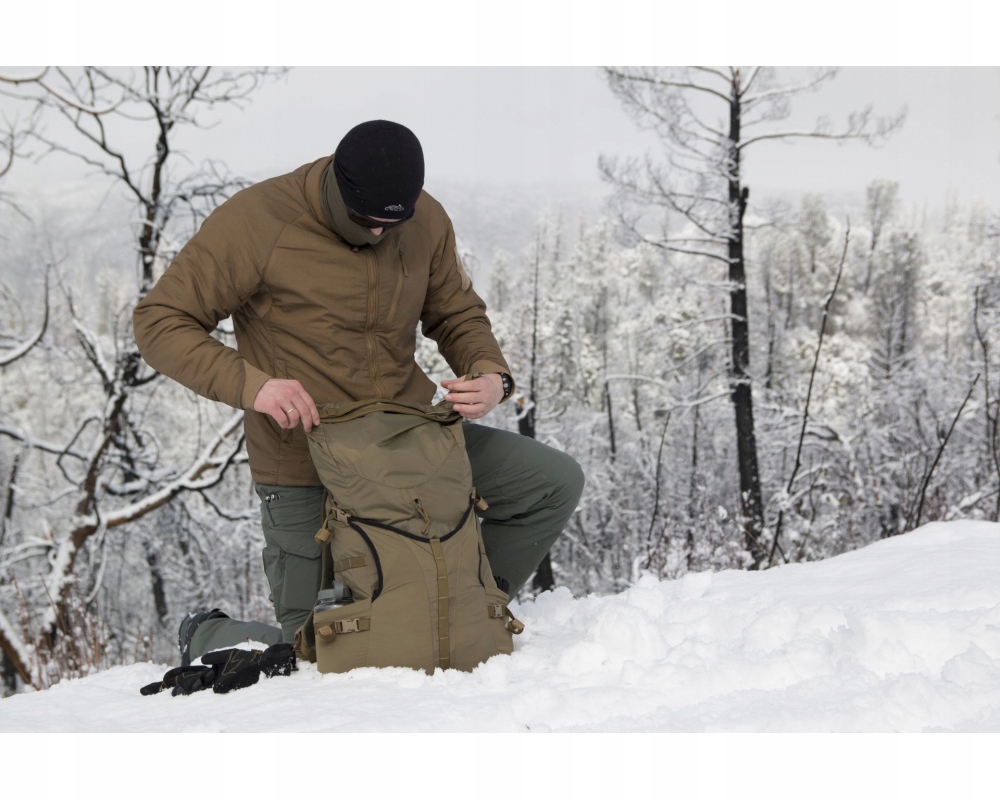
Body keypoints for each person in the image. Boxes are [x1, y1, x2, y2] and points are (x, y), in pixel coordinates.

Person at [133, 120, 584, 666]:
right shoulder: (258, 221)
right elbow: (159, 321)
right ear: (339, 188)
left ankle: (459, 607)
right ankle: (208, 633)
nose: (378, 234)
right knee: (313, 655)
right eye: (366, 221)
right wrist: (254, 386)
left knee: (553, 482)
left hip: (411, 442)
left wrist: (491, 373)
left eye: (390, 224)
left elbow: (457, 310)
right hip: (305, 457)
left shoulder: (425, 219)